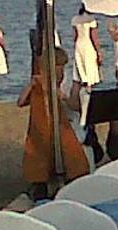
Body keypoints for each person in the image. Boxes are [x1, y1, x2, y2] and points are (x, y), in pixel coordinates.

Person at [17, 49, 90, 200]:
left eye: (61, 67)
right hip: (49, 128)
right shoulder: (41, 83)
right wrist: (31, 85)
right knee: (41, 140)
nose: (58, 71)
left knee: (67, 146)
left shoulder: (70, 82)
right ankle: (41, 183)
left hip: (70, 124)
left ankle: (70, 180)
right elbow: (20, 102)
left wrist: (61, 96)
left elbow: (77, 107)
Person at [72, 7, 103, 90]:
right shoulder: (91, 20)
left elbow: (75, 36)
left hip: (79, 44)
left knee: (80, 67)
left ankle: (83, 84)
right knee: (90, 68)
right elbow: (94, 37)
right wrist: (99, 52)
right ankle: (89, 89)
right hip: (88, 45)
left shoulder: (75, 19)